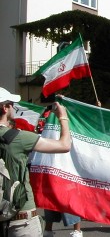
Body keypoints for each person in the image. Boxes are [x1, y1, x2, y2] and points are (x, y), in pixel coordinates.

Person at [0, 87, 71, 237]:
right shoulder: (19, 138)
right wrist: (63, 117)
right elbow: (64, 145)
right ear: (5, 108)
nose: (14, 107)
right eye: (11, 104)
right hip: (21, 219)